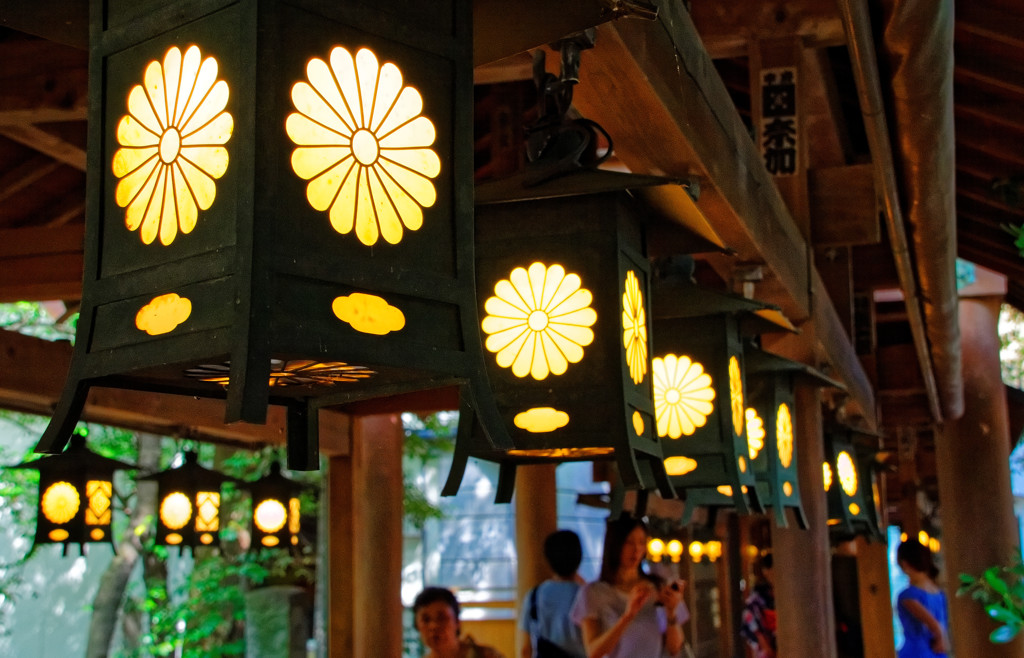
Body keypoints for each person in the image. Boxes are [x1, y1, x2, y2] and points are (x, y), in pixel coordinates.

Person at [570, 515, 688, 657]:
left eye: (641, 542)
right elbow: (593, 652)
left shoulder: (658, 587)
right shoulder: (593, 592)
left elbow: (675, 648)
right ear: (615, 544)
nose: (636, 549)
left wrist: (671, 612)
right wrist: (628, 616)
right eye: (629, 542)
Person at [519, 529, 587, 657]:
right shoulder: (587, 595)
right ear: (579, 558)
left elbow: (525, 649)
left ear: (548, 560)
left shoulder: (534, 595)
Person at [413, 586, 506, 658]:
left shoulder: (486, 656)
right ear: (417, 625)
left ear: (457, 621)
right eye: (426, 620)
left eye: (442, 618)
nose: (433, 626)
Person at [895, 540, 949, 658]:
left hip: (916, 652)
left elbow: (935, 625)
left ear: (904, 563)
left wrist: (940, 637)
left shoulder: (907, 596)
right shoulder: (939, 593)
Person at [740, 553, 777, 658]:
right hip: (767, 648)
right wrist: (764, 644)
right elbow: (750, 622)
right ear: (766, 571)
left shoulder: (786, 595)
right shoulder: (757, 599)